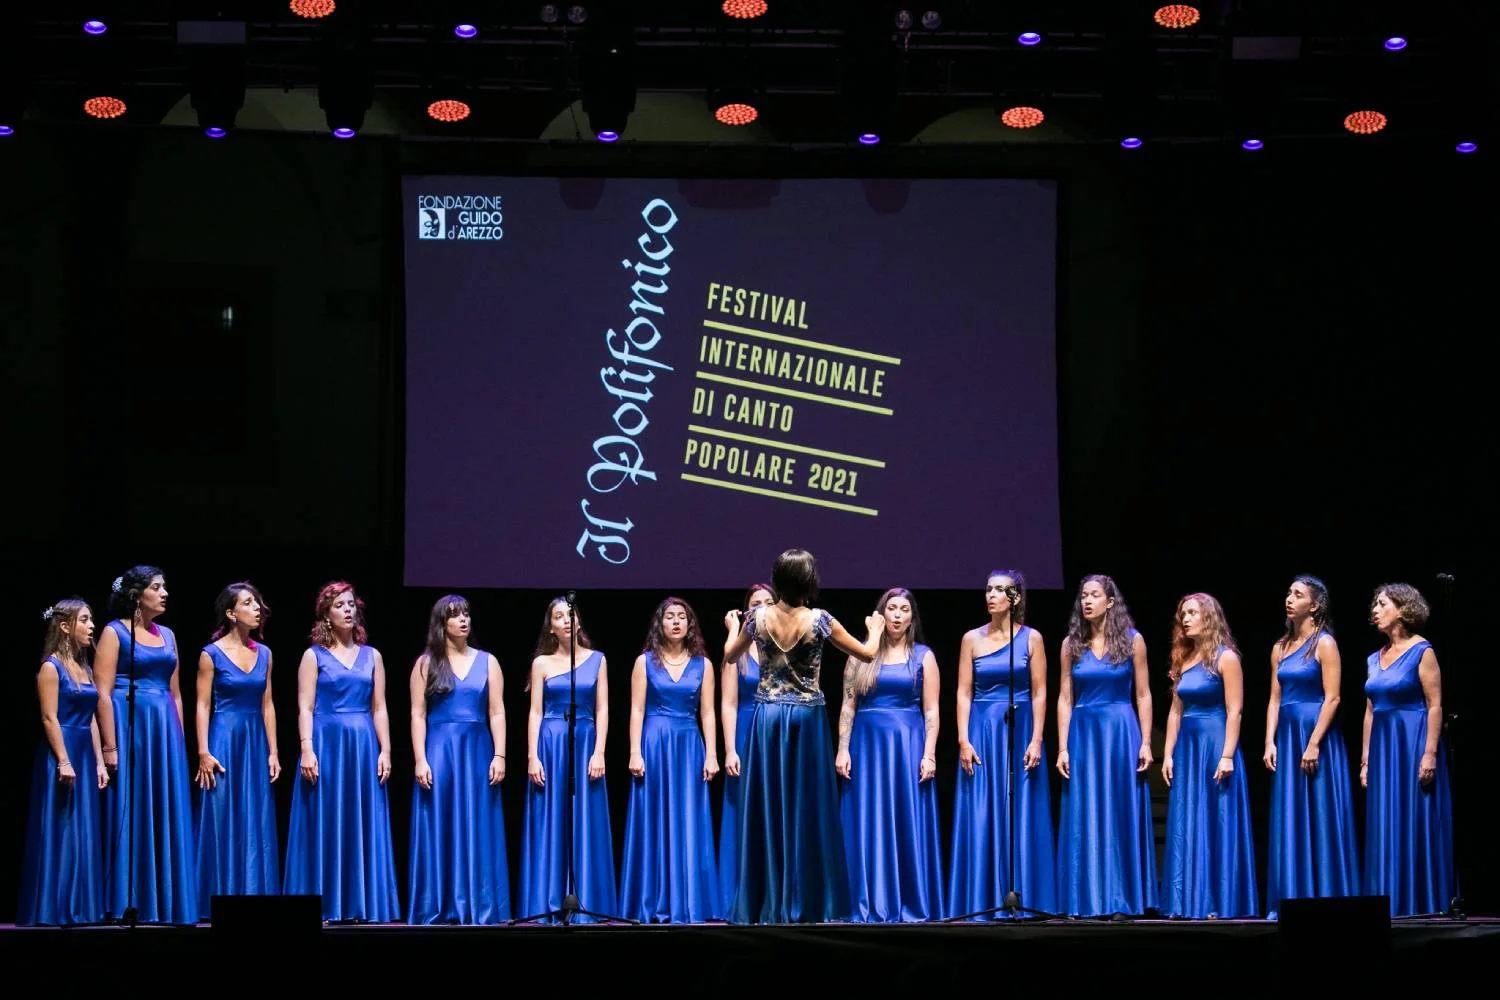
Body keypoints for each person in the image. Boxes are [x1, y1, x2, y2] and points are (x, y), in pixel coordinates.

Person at [722, 548, 882, 924]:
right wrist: (874, 629)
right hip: (807, 719)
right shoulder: (820, 620)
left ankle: (769, 900)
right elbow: (867, 653)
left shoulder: (757, 618)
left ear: (777, 580)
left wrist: (731, 628)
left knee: (769, 807)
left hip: (767, 718)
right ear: (809, 581)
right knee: (806, 808)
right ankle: (808, 901)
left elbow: (729, 655)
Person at [284, 581, 398, 922]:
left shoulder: (372, 655)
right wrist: (306, 748)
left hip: (362, 746)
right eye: (339, 605)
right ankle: (323, 903)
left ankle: (361, 904)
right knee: (325, 820)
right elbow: (305, 707)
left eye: (351, 604)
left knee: (361, 820)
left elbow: (379, 707)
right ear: (326, 614)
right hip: (327, 744)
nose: (348, 610)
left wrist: (386, 750)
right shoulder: (313, 656)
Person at [948, 570, 1055, 920]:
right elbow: (963, 692)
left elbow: (1040, 692)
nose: (991, 595)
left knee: (1021, 811)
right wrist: (963, 739)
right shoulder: (971, 639)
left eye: (999, 590)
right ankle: (982, 899)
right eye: (988, 589)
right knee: (982, 809)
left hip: (1020, 729)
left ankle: (1024, 895)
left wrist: (1037, 738)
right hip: (982, 731)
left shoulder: (1032, 638)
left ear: (1015, 598)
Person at [95, 565, 197, 924]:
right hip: (130, 725)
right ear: (137, 596)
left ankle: (166, 901)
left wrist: (178, 741)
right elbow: (103, 692)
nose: (164, 593)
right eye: (156, 587)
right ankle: (127, 899)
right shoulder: (115, 632)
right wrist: (110, 746)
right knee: (132, 807)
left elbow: (177, 694)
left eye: (164, 586)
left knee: (164, 808)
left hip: (164, 730)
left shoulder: (168, 635)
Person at [836, 587, 943, 922]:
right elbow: (848, 705)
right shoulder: (859, 654)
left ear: (912, 617)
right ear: (881, 615)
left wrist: (929, 754)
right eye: (892, 608)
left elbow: (932, 709)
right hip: (867, 747)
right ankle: (865, 901)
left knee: (905, 818)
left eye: (904, 609)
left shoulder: (923, 656)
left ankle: (909, 901)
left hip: (907, 746)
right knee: (867, 819)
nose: (897, 615)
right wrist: (842, 749)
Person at [1055, 574, 1156, 917]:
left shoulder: (1133, 641)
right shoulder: (1071, 644)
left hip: (1120, 732)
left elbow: (1143, 694)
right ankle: (1084, 899)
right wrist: (1062, 747)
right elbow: (1065, 698)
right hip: (1084, 732)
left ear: (1110, 602)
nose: (1087, 601)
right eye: (1083, 596)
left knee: (1118, 809)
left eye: (1094, 595)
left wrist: (1146, 741)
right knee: (1084, 810)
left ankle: (1121, 899)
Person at [408, 594, 510, 924]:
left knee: (478, 823)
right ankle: (440, 904)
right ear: (442, 623)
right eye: (455, 615)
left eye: (466, 613)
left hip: (477, 749)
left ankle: (480, 905)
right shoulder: (425, 664)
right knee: (441, 822)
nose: (463, 619)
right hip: (440, 750)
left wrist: (499, 754)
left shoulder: (489, 661)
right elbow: (417, 714)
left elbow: (497, 712)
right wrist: (420, 758)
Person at [619, 597, 720, 923]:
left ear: (690, 625)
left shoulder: (703, 665)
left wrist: (712, 753)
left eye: (682, 617)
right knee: (654, 819)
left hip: (688, 745)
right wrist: (634, 751)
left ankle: (689, 901)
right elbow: (636, 710)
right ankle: (652, 902)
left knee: (688, 820)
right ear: (659, 624)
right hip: (654, 744)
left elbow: (708, 712)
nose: (676, 622)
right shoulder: (644, 662)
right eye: (670, 617)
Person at [1263, 575, 1359, 918]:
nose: (1289, 599)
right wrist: (1269, 740)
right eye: (1288, 593)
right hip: (1288, 737)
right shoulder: (1280, 647)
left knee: (1319, 813)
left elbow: (1333, 698)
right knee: (1290, 814)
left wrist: (1314, 742)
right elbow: (1274, 700)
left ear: (1315, 605)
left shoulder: (1325, 644)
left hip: (1316, 736)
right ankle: (1293, 895)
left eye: (1298, 594)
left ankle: (1327, 896)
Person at [518, 596, 617, 923]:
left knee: (584, 818)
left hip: (585, 741)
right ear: (551, 626)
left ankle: (586, 899)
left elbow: (603, 708)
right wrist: (532, 756)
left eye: (570, 615)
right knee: (552, 818)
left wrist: (599, 751)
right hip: (550, 744)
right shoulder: (541, 664)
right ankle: (550, 899)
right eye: (559, 616)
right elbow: (535, 712)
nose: (566, 620)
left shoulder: (597, 659)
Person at [1161, 593, 1258, 919]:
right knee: (1188, 821)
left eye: (1192, 613)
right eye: (1183, 614)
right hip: (1188, 748)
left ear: (1209, 618)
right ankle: (1187, 902)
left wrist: (1227, 754)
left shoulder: (1226, 658)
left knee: (1217, 819)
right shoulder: (1183, 659)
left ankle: (1219, 902)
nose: (1185, 619)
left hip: (1215, 744)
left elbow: (1235, 710)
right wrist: (1168, 753)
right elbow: (1175, 711)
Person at [1362, 583, 1455, 917]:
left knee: (1415, 817)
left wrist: (1429, 753)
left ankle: (1422, 900)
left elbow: (1435, 705)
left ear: (1402, 610)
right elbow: (1370, 711)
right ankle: (1389, 900)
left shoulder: (1422, 651)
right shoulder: (1374, 658)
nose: (1374, 610)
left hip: (1412, 742)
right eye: (1374, 605)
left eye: (1382, 604)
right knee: (1385, 822)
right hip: (1383, 749)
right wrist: (1366, 759)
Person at [18, 599, 108, 925]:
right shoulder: (51, 667)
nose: (92, 626)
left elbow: (92, 718)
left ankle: (82, 907)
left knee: (83, 829)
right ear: (66, 626)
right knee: (62, 828)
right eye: (84, 620)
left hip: (84, 752)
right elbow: (49, 717)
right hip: (62, 753)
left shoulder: (84, 668)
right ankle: (52, 907)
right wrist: (64, 761)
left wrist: (99, 762)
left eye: (91, 619)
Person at [195, 582, 281, 916]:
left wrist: (273, 751)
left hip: (254, 741)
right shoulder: (210, 654)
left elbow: (268, 704)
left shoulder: (266, 654)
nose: (257, 608)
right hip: (224, 739)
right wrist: (203, 751)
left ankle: (254, 897)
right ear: (231, 613)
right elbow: (202, 705)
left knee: (255, 815)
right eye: (248, 603)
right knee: (222, 815)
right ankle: (216, 898)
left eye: (257, 602)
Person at [718, 583, 774, 915]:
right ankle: (740, 893)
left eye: (768, 601)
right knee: (744, 811)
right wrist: (729, 749)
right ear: (746, 610)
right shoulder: (736, 651)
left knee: (776, 810)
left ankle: (775, 893)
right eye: (756, 603)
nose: (762, 607)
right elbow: (728, 704)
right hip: (745, 731)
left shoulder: (785, 642)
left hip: (777, 730)